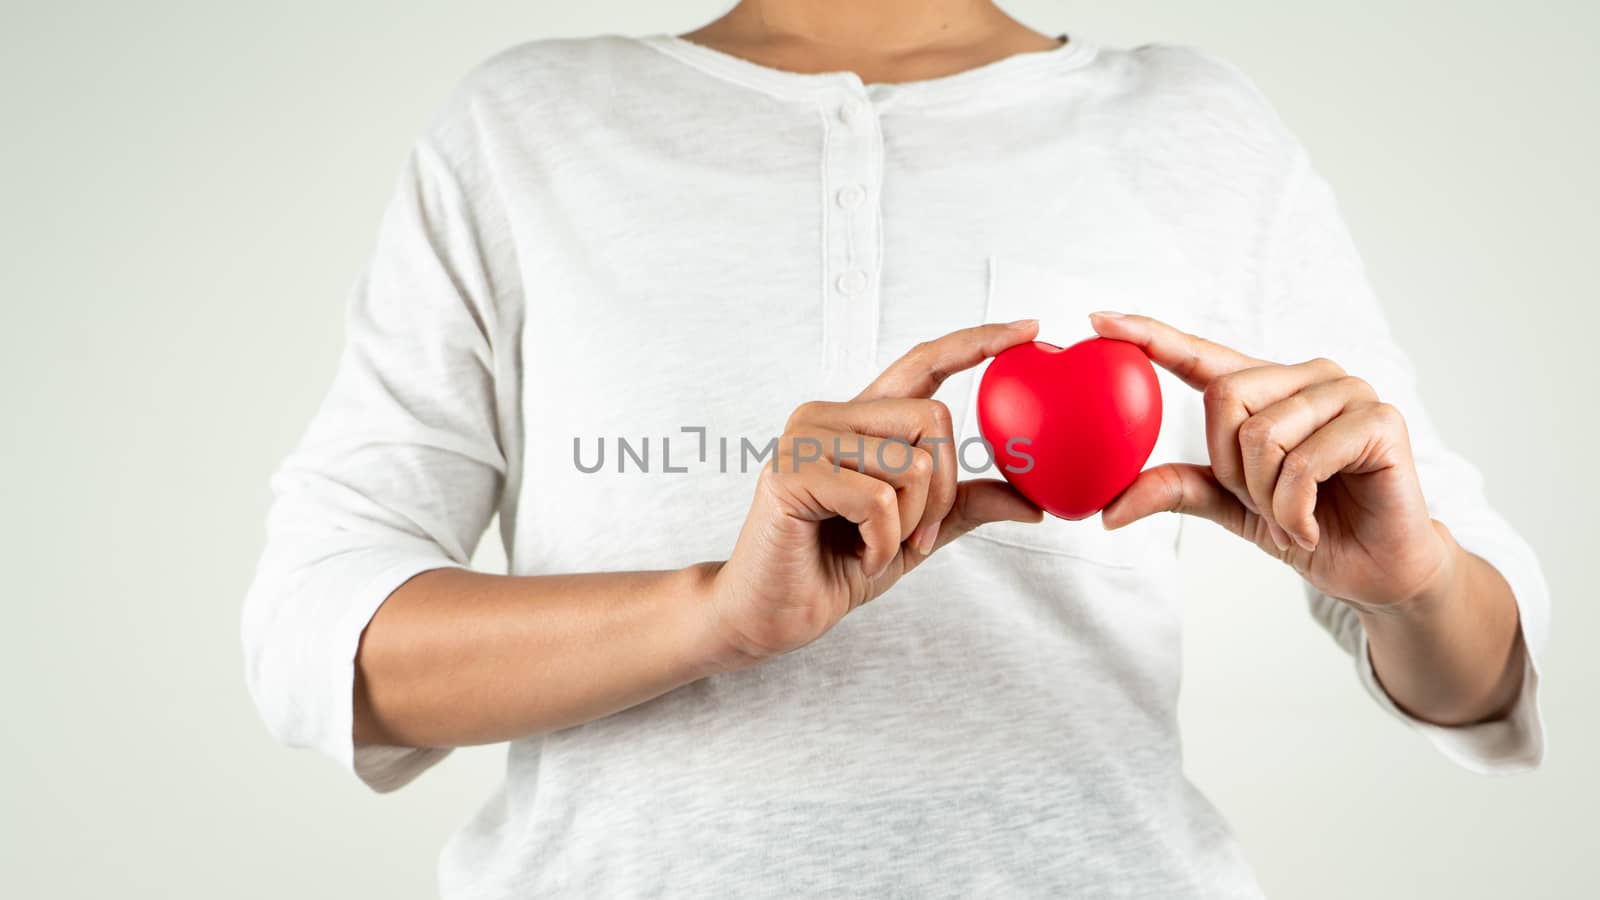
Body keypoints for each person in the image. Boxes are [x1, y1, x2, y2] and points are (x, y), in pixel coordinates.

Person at [242, 2, 1548, 896]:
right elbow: (314, 634)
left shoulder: (1192, 124)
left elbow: (1483, 670)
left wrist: (1418, 585)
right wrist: (714, 615)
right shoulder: (526, 126)